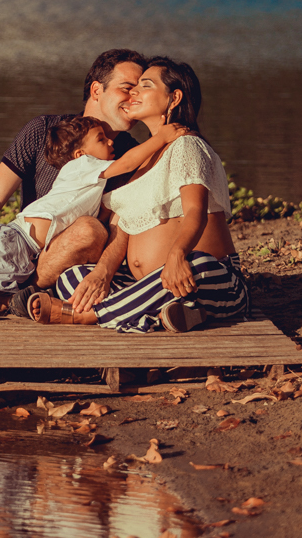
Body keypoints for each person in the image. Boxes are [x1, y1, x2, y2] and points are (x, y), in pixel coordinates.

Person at [28, 57, 250, 333]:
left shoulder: (187, 146)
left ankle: (89, 316)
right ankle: (171, 315)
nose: (133, 92)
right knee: (73, 278)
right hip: (152, 283)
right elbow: (123, 230)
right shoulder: (142, 160)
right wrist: (103, 273)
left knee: (196, 264)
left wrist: (177, 254)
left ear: (174, 98)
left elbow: (195, 211)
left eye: (145, 85)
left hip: (209, 277)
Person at [0, 116, 187, 324]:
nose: (110, 142)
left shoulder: (93, 179)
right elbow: (127, 163)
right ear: (80, 153)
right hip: (19, 237)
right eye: (102, 139)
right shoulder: (85, 166)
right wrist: (160, 138)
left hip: (30, 250)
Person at [0, 49, 147, 293]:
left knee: (90, 230)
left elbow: (119, 230)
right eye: (127, 88)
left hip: (58, 265)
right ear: (97, 90)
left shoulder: (134, 157)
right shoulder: (44, 130)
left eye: (140, 92)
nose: (135, 99)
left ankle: (14, 294)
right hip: (15, 247)